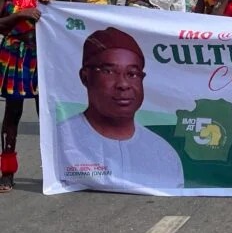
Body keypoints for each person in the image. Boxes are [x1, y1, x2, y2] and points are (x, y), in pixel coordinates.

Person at [56, 27, 184, 192]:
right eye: (109, 72)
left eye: (132, 74)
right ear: (85, 76)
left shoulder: (164, 154)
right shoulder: (62, 140)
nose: (123, 85)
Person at [0, 0, 53, 192]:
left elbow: (57, 20)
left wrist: (48, 4)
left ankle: (53, 171)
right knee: (13, 112)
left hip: (41, 56)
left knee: (47, 114)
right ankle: (7, 171)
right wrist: (20, 14)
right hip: (15, 55)